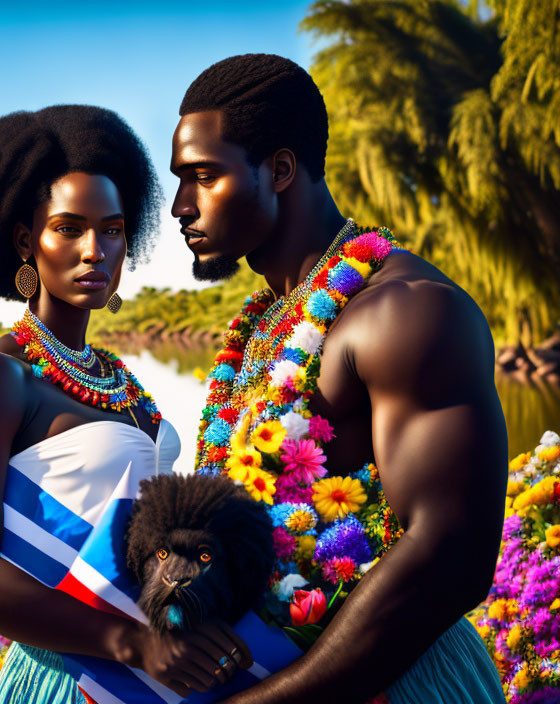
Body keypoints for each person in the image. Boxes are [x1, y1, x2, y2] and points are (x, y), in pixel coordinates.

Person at [170, 54, 507, 703]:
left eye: (203, 177)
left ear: (281, 169)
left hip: (393, 680)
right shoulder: (267, 322)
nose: (182, 206)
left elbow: (452, 557)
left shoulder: (406, 312)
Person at [0, 104, 250, 704]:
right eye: (69, 228)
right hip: (68, 678)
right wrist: (131, 644)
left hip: (156, 677)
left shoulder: (120, 379)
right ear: (28, 240)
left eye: (112, 229)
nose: (95, 250)